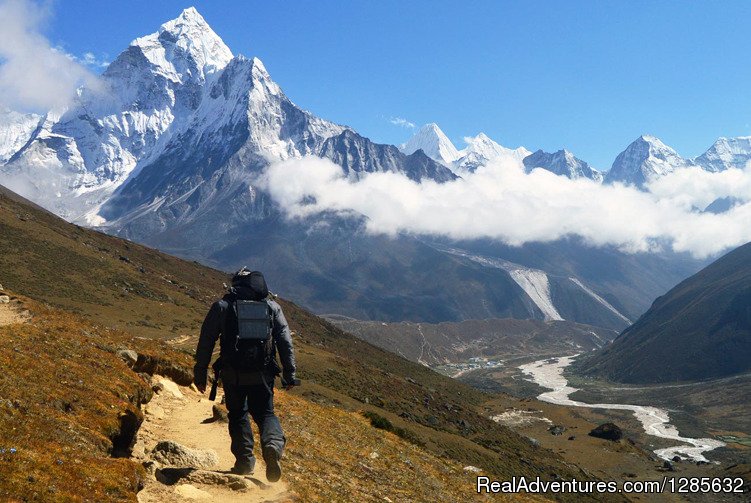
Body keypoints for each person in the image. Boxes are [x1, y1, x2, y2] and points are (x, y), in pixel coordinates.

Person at [193, 268, 297, 482]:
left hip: (233, 374)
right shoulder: (272, 307)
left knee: (238, 414)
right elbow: (285, 342)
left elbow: (206, 341)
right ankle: (272, 446)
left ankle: (244, 462)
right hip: (263, 374)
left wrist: (200, 371)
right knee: (266, 414)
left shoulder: (222, 307)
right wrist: (289, 372)